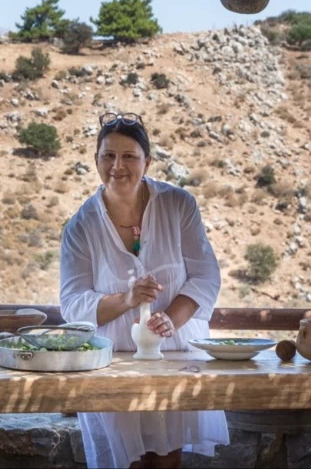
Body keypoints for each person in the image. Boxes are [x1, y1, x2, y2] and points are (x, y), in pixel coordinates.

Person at [59, 112, 228, 469]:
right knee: (127, 461)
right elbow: (73, 305)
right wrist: (126, 298)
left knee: (167, 457)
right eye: (108, 156)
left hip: (174, 354)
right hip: (114, 362)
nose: (117, 166)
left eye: (129, 156)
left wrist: (171, 319)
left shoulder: (179, 205)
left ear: (147, 161)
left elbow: (205, 276)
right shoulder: (81, 226)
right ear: (96, 161)